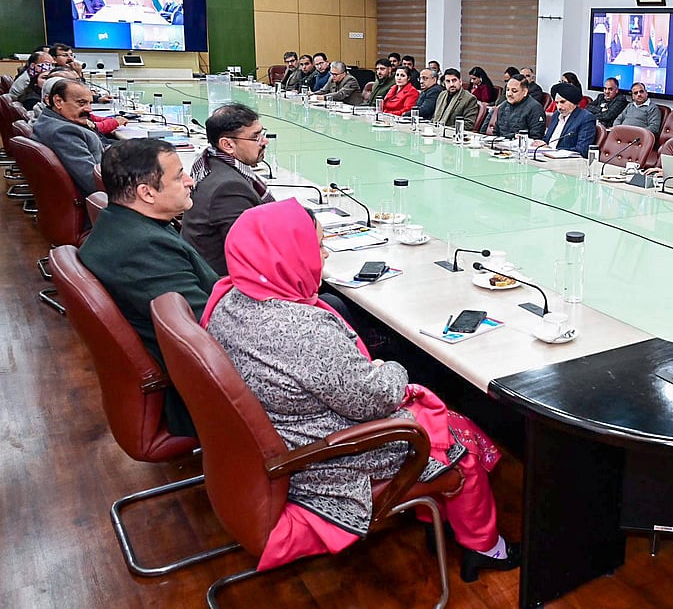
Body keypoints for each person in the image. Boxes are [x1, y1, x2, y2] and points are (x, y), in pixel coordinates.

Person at [202, 199, 520, 580]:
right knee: (459, 439)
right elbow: (377, 399)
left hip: (279, 432)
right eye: (317, 246)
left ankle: (432, 514)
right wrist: (391, 367)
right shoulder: (304, 330)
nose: (322, 256)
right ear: (287, 254)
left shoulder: (228, 298)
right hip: (320, 457)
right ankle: (485, 548)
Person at [80, 138, 218, 436]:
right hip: (199, 394)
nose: (190, 181)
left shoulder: (119, 222)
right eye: (179, 175)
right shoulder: (143, 249)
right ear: (147, 193)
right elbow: (208, 327)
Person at [181, 103, 273, 276]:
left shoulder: (209, 162)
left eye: (262, 133)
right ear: (228, 145)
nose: (265, 141)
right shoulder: (228, 187)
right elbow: (253, 253)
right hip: (223, 282)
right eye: (256, 137)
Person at [30, 79, 103, 197]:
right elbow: (92, 182)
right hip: (97, 200)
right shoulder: (63, 133)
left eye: (90, 103)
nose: (89, 109)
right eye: (81, 103)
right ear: (58, 101)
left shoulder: (48, 121)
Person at [536, 83, 596, 157]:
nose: (559, 107)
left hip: (567, 162)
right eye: (556, 103)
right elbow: (548, 139)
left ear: (573, 101)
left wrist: (553, 150)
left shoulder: (586, 118)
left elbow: (582, 150)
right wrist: (541, 143)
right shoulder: (556, 115)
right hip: (545, 156)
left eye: (563, 102)